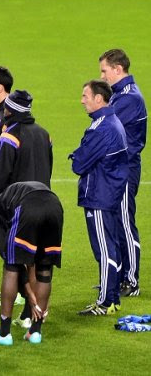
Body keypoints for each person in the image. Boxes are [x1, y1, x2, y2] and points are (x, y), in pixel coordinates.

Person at [0, 182, 63, 345]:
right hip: (55, 205)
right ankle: (35, 332)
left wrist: (29, 294)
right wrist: (29, 293)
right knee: (44, 268)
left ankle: (4, 333)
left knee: (10, 267)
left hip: (28, 206)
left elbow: (14, 262)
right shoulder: (1, 205)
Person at [70, 80, 129, 315]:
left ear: (99, 99)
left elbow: (79, 163)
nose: (82, 100)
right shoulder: (112, 122)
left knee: (104, 251)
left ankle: (105, 303)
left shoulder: (101, 128)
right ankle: (112, 298)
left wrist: (77, 155)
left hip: (99, 196)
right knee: (111, 247)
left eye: (86, 96)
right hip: (109, 194)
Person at [100, 49, 147, 296]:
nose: (102, 76)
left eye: (104, 71)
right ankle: (118, 276)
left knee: (125, 223)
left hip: (124, 169)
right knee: (116, 222)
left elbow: (106, 127)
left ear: (118, 70)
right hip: (115, 169)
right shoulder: (121, 94)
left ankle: (131, 279)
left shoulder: (129, 98)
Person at [0, 90, 52, 208]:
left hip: (19, 204)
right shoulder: (44, 134)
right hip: (45, 201)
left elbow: (0, 177)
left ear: (10, 111)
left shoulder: (10, 136)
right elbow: (48, 170)